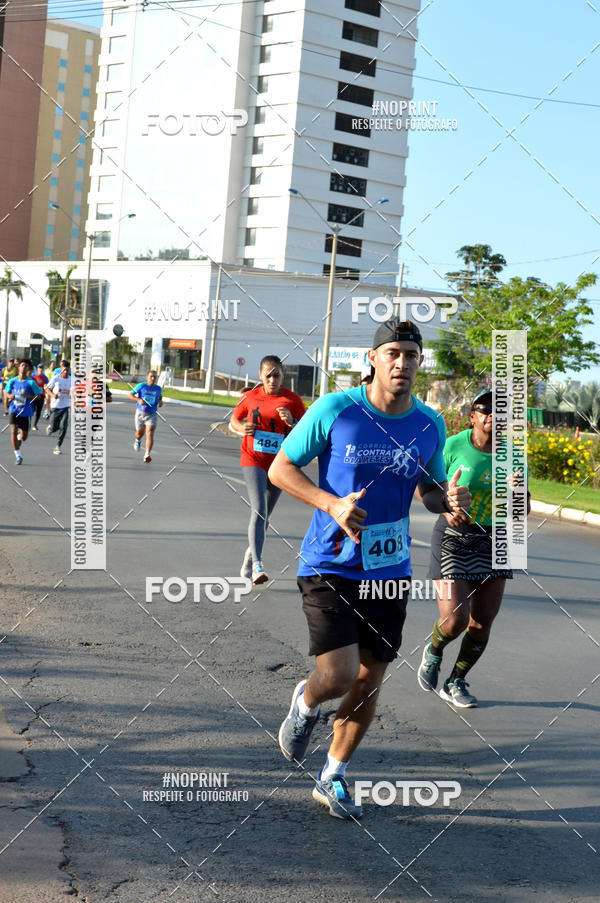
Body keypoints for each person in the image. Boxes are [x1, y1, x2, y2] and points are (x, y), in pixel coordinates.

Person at [268, 319, 471, 819]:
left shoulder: (430, 424)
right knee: (336, 676)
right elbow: (281, 469)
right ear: (373, 359)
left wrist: (446, 500)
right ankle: (306, 702)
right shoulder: (337, 409)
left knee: (368, 679)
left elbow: (427, 488)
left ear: (420, 363)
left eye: (411, 355)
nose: (402, 363)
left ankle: (333, 776)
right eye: (393, 353)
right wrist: (331, 503)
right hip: (329, 564)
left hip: (388, 568)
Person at [417, 388, 531, 709]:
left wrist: (518, 493)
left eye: (501, 412)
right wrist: (446, 507)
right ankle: (434, 651)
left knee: (482, 622)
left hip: (496, 540)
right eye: (485, 410)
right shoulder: (451, 446)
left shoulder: (514, 456)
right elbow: (425, 489)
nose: (493, 416)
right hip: (455, 535)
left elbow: (524, 508)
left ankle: (456, 680)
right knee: (455, 619)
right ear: (472, 416)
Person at [230, 355, 306, 585]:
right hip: (253, 458)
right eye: (268, 375)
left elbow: (305, 433)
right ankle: (257, 566)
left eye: (277, 375)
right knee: (259, 510)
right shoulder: (250, 397)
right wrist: (244, 429)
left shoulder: (293, 400)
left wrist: (291, 421)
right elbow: (233, 420)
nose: (272, 380)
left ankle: (249, 555)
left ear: (283, 376)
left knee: (265, 517)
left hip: (280, 463)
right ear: (261, 375)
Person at [4, 359, 41, 464]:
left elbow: (38, 397)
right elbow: (6, 392)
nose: (24, 367)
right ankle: (18, 456)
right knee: (13, 430)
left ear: (28, 369)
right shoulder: (12, 381)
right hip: (14, 410)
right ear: (19, 368)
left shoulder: (31, 382)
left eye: (26, 366)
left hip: (26, 412)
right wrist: (10, 396)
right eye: (22, 365)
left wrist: (27, 396)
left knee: (24, 437)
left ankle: (19, 438)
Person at [129, 370, 163, 463]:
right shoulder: (142, 386)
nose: (153, 378)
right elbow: (130, 395)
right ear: (147, 377)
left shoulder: (158, 388)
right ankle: (137, 440)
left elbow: (160, 397)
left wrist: (160, 402)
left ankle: (147, 454)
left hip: (152, 414)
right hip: (140, 413)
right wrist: (138, 399)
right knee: (139, 433)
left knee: (150, 432)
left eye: (155, 377)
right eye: (151, 376)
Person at [45, 359, 72, 455]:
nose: (65, 371)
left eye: (67, 369)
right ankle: (50, 428)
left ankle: (58, 446)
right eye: (63, 369)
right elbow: (47, 388)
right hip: (55, 406)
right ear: (61, 369)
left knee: (64, 427)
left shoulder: (71, 380)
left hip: (65, 406)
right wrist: (52, 395)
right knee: (54, 428)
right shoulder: (56, 378)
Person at [31, 363, 49, 430]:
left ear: (43, 369)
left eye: (42, 369)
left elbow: (47, 386)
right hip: (33, 396)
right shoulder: (33, 376)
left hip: (41, 396)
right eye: (39, 368)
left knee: (38, 411)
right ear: (37, 369)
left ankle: (35, 425)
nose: (40, 370)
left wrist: (46, 388)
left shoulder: (45, 378)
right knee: (31, 410)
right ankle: (28, 423)